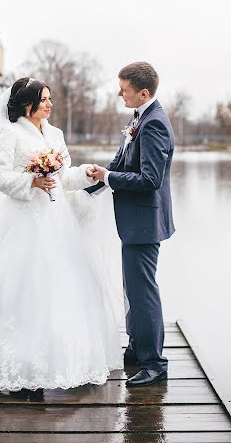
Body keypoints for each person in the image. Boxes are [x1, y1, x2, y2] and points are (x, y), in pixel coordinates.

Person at [0, 77, 123, 393]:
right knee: (22, 289)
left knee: (61, 289)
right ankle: (18, 363)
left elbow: (63, 177)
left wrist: (85, 174)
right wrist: (31, 182)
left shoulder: (55, 134)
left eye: (49, 98)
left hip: (57, 221)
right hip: (22, 221)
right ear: (28, 104)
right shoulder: (9, 133)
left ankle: (60, 362)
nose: (50, 104)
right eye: (44, 99)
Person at [86, 61, 174, 387]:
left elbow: (150, 179)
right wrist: (94, 182)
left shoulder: (154, 124)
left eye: (123, 89)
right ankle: (137, 349)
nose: (118, 94)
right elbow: (122, 161)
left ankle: (155, 364)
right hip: (135, 223)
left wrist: (109, 178)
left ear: (143, 92)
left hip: (145, 223)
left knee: (143, 293)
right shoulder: (137, 118)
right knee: (133, 292)